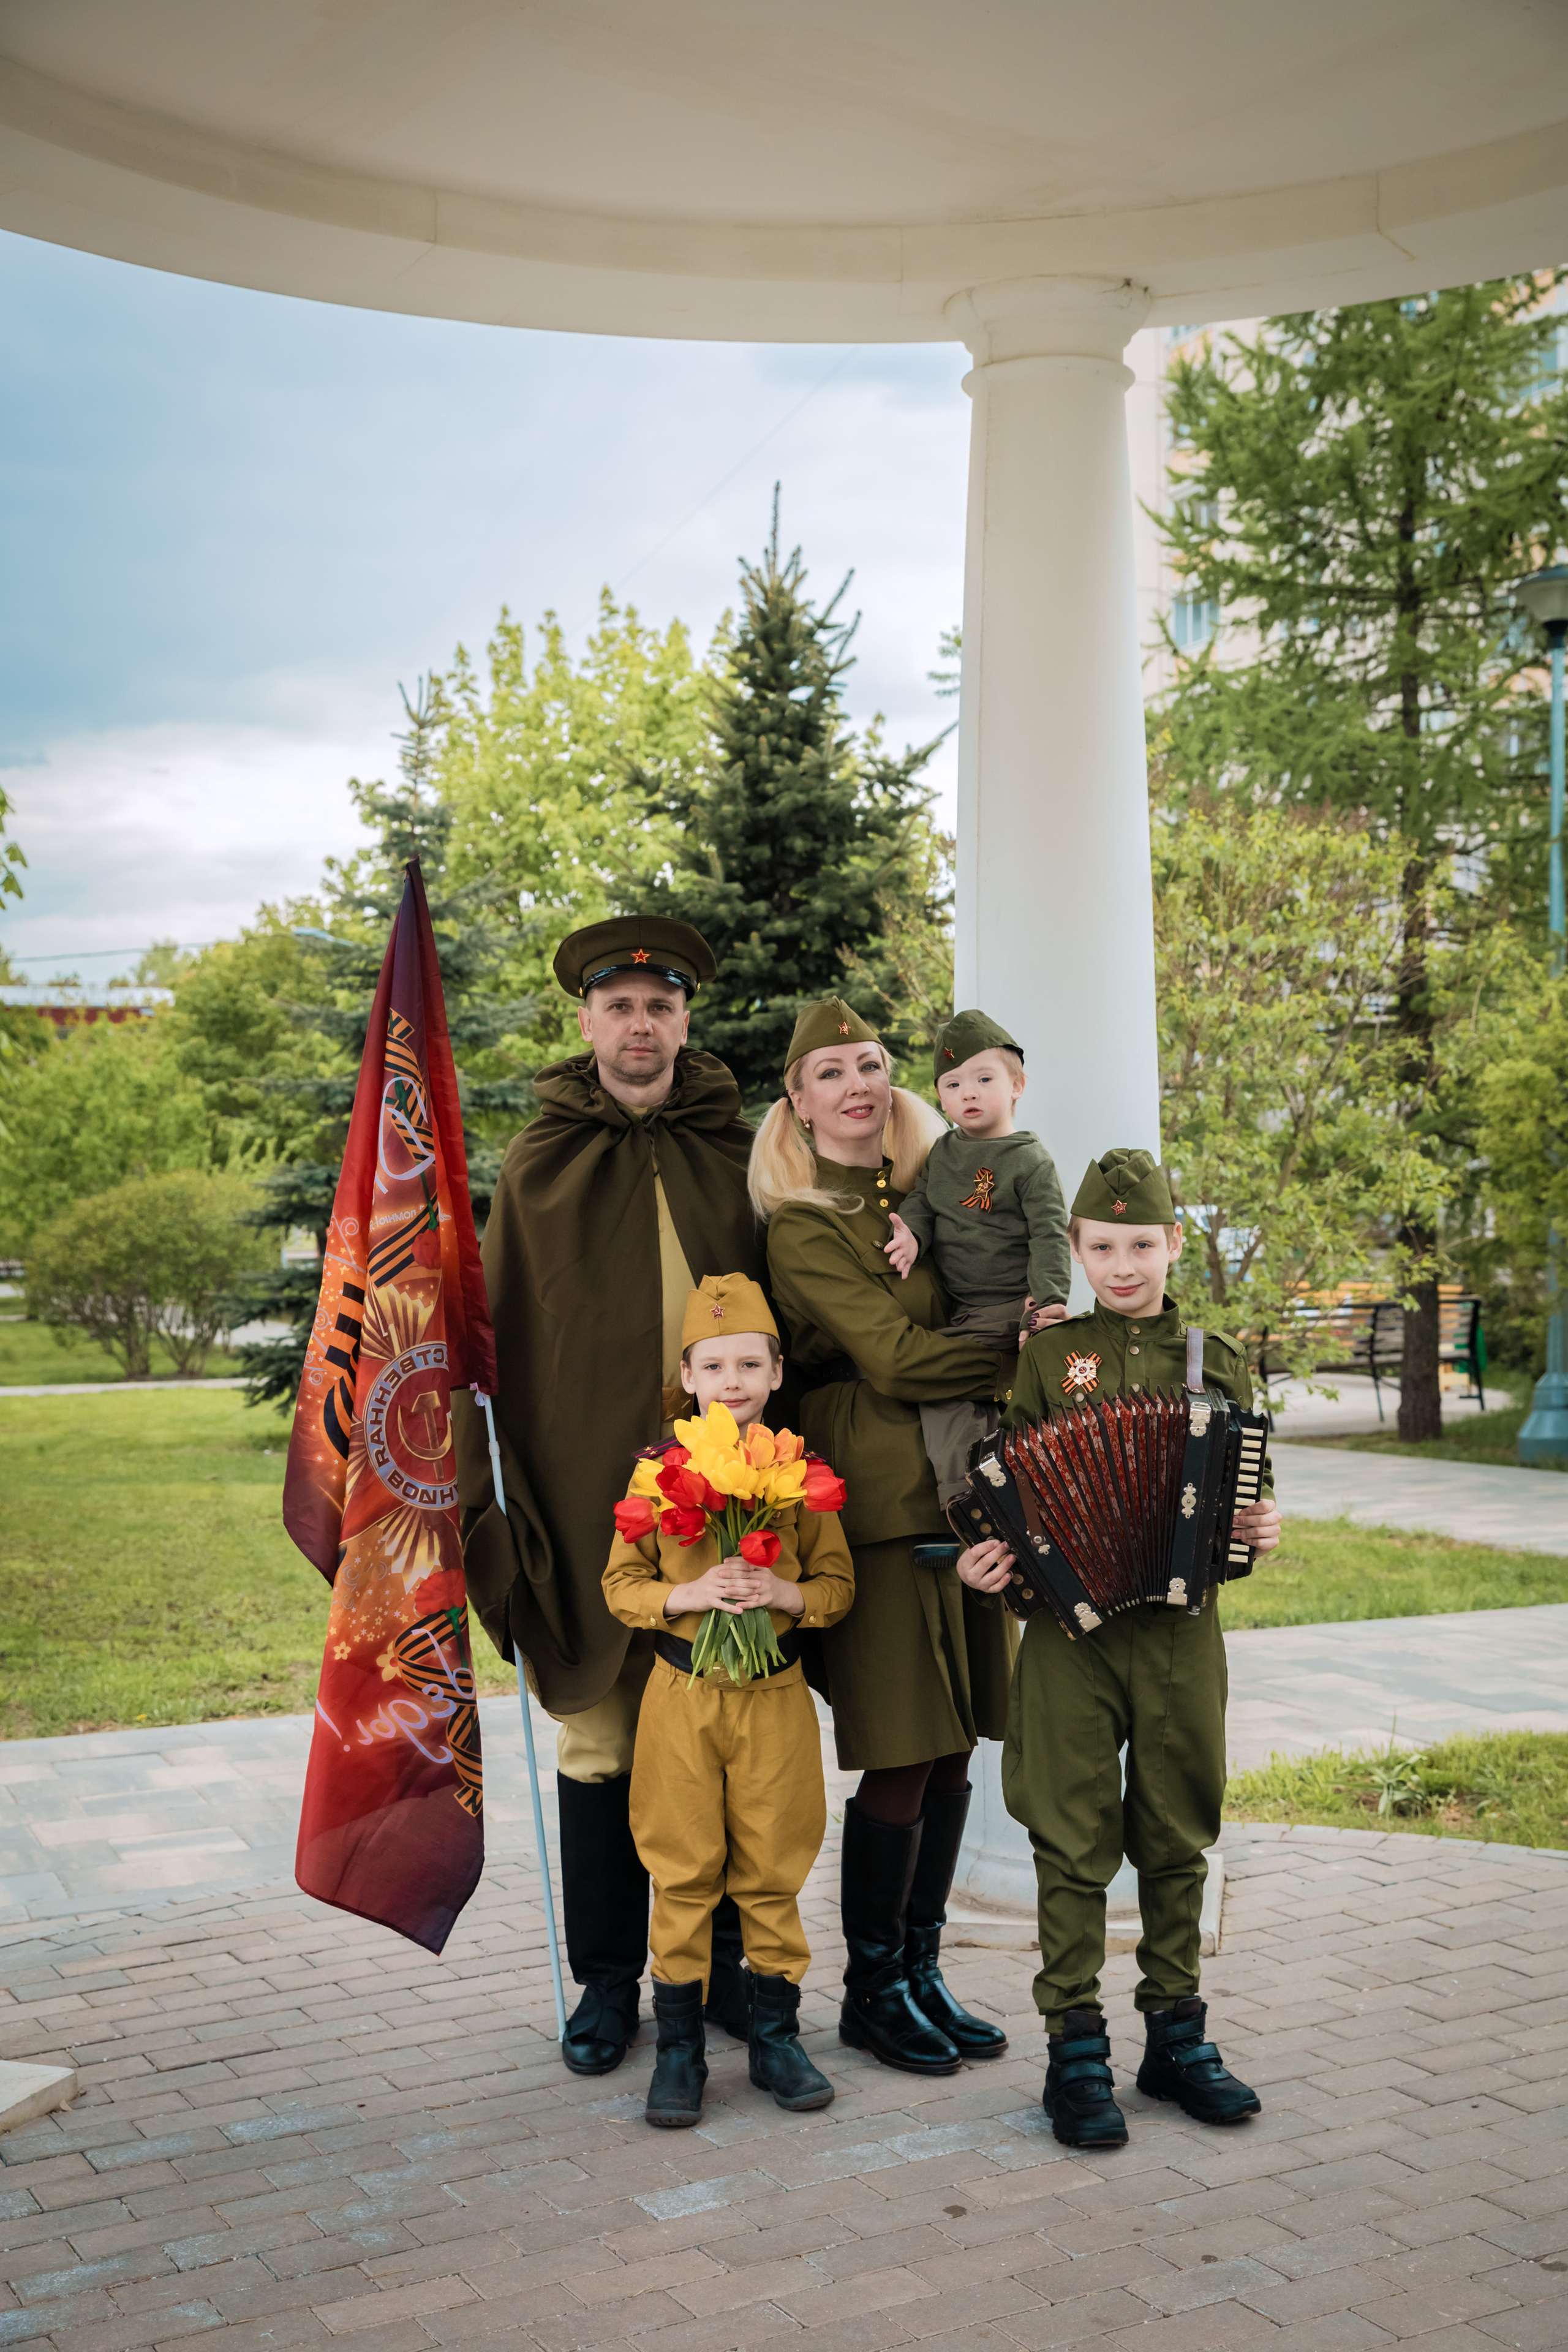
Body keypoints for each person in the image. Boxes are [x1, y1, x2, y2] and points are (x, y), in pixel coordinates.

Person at [453, 917, 767, 2077]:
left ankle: (723, 1969)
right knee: (602, 1736)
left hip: (727, 1495)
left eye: (661, 1007)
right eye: (621, 1007)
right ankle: (605, 1982)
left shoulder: (738, 1154)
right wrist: (497, 1491)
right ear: (587, 1021)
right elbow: (496, 1342)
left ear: (686, 1021)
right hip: (589, 1488)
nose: (642, 1026)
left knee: (725, 1729)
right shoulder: (539, 1164)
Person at [957, 1148, 1283, 2151]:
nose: (1124, 1265)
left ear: (1174, 1243)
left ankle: (1176, 2039)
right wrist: (991, 1560)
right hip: (1071, 1638)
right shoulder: (1050, 1358)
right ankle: (1075, 2049)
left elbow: (1244, 1495)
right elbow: (1011, 1489)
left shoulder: (1218, 1357)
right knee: (1071, 1835)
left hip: (1182, 1633)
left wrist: (1258, 1529)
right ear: (1078, 1249)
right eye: (1103, 1248)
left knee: (1178, 1831)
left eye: (1141, 1245)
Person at [752, 997, 1017, 2078]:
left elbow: (993, 1289)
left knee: (955, 1748)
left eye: (869, 1064)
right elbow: (898, 1361)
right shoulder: (803, 1225)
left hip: (965, 1500)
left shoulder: (924, 1202)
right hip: (875, 1505)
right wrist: (1012, 1356)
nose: (857, 1084)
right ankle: (871, 1992)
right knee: (904, 1749)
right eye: (830, 1072)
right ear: (798, 1105)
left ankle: (919, 1968)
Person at [601, 1273, 854, 2128]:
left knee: (772, 1870)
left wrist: (786, 1596)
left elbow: (837, 1586)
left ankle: (776, 2040)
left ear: (778, 1373)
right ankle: (679, 2051)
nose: (733, 1380)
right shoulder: (656, 1474)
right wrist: (688, 1594)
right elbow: (621, 1585)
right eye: (714, 1366)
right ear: (688, 1376)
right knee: (682, 1871)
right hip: (681, 1695)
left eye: (750, 1363)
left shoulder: (798, 1474)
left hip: (773, 1695)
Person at [883, 1009, 1072, 1505]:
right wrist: (913, 1236)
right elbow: (923, 1201)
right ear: (941, 1097)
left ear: (1017, 1086)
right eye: (953, 1084)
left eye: (984, 1080)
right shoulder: (943, 1152)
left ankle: (970, 1498)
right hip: (967, 1310)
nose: (968, 1094)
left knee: (944, 1386)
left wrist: (1049, 1300)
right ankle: (983, 1491)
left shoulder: (1029, 1161)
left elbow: (1050, 1234)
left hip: (1017, 1304)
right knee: (964, 1397)